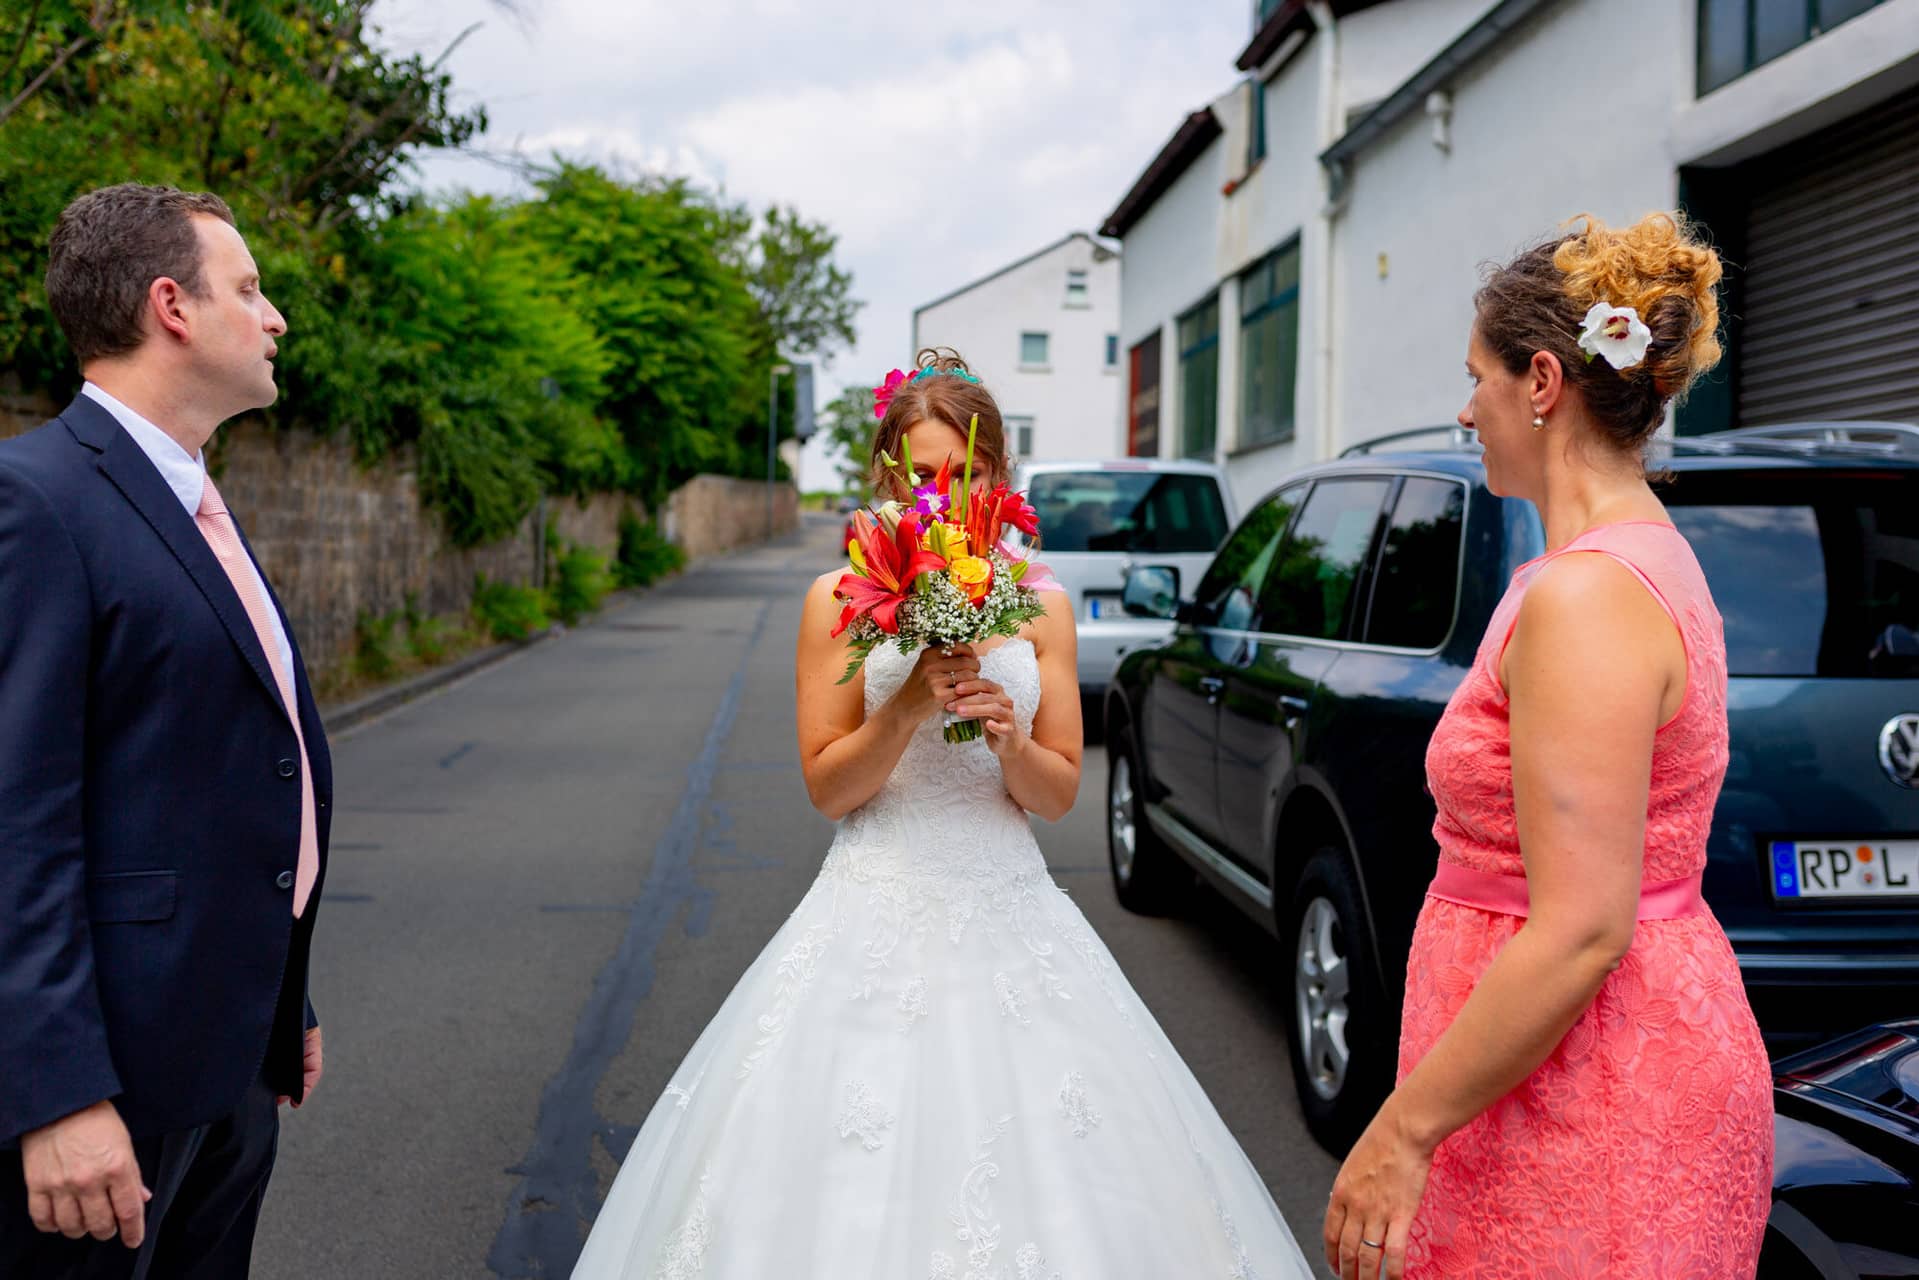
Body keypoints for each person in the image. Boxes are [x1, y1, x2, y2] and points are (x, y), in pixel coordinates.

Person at [572, 349, 1316, 1278]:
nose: (940, 496)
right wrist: (911, 705)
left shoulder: (1041, 605)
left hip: (1011, 903)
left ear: (996, 477)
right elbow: (829, 788)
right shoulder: (836, 602)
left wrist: (1008, 740)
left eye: (961, 475)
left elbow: (1056, 795)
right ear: (888, 474)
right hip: (873, 902)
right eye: (919, 476)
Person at [1322, 213, 1772, 1279]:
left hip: (1592, 1086)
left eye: (1475, 376)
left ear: (1539, 381)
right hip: (1552, 1074)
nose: (1464, 406)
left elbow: (1579, 926)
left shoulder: (1588, 595)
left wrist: (1402, 1130)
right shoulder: (1625, 563)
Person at [0, 183, 330, 1278]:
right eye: (248, 288)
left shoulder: (193, 500)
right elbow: (16, 820)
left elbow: (225, 768)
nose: (275, 315)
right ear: (169, 307)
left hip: (229, 1057)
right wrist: (54, 1093)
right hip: (108, 1087)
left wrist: (287, 998)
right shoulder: (37, 501)